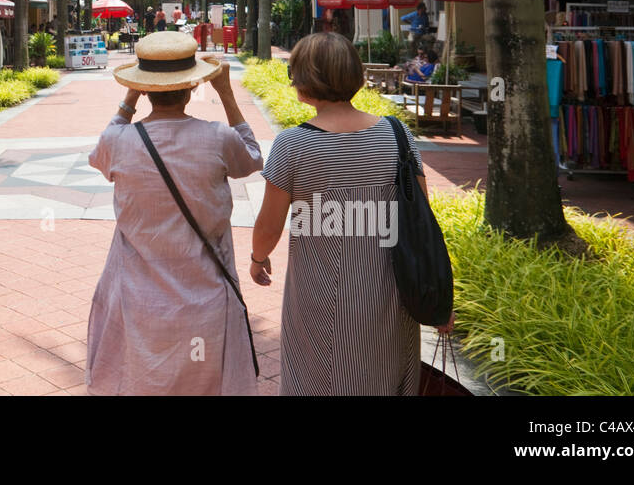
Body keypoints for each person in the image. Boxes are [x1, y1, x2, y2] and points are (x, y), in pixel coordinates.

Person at [249, 33, 453, 395]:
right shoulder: (397, 134)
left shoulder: (293, 144)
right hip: (392, 297)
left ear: (304, 82)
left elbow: (268, 226)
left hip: (320, 299)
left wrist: (258, 257)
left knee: (319, 380)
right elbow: (424, 220)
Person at [86, 31, 263, 395]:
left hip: (138, 301)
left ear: (145, 89)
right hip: (207, 299)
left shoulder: (119, 142)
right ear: (191, 87)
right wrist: (227, 93)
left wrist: (130, 95)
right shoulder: (217, 138)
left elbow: (101, 148)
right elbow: (252, 157)